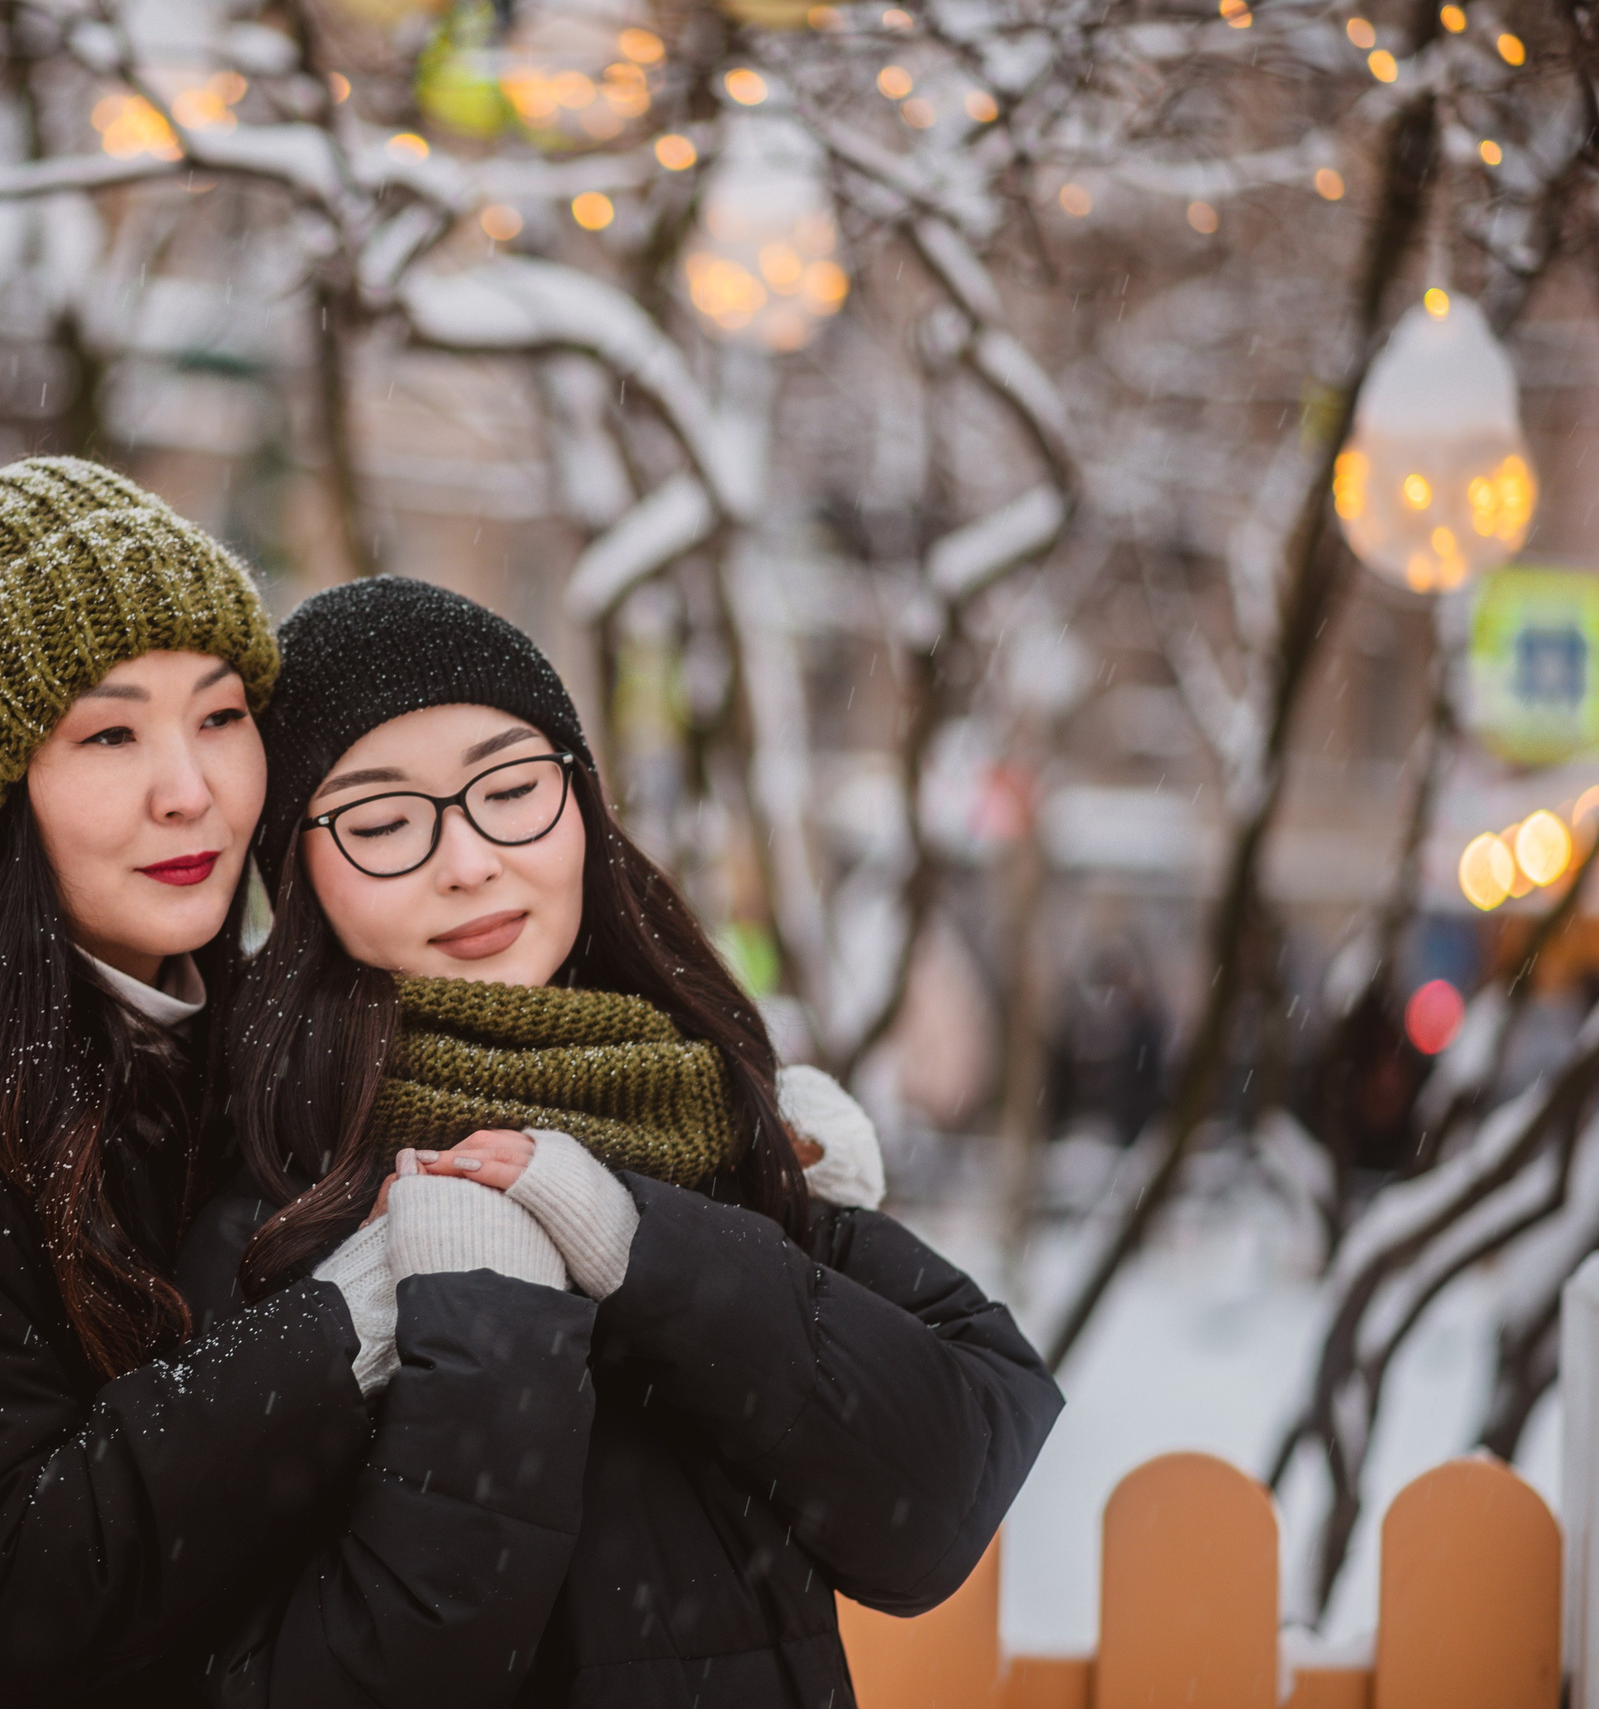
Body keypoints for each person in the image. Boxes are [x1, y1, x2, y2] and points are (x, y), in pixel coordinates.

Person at [0, 462, 593, 1707]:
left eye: (220, 717)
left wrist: (729, 1131)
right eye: (111, 733)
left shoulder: (227, 1046)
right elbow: (6, 1595)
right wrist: (355, 1310)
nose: (194, 786)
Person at [197, 576, 1063, 1706]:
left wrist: (643, 1245)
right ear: (294, 871)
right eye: (381, 821)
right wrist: (475, 1318)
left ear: (580, 805)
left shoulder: (716, 1116)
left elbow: (940, 1493)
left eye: (510, 789)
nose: (467, 859)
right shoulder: (264, 1180)